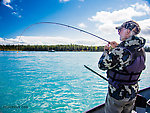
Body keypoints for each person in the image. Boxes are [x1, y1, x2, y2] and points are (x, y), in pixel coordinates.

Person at [98, 20, 146, 113]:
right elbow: (128, 58)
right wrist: (117, 48)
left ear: (128, 31)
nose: (118, 32)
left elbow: (102, 65)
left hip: (117, 95)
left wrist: (106, 51)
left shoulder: (121, 51)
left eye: (120, 29)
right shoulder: (141, 49)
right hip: (132, 93)